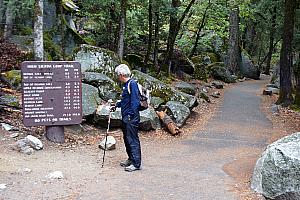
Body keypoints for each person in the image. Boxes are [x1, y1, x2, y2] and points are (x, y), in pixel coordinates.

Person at [113, 64, 141, 172]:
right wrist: (116, 105)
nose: (117, 77)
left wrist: (130, 115)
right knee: (127, 138)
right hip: (126, 116)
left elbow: (135, 101)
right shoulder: (126, 85)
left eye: (117, 75)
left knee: (132, 139)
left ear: (121, 74)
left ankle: (136, 163)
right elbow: (126, 101)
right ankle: (130, 159)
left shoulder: (132, 84)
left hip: (131, 117)